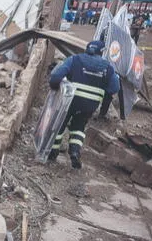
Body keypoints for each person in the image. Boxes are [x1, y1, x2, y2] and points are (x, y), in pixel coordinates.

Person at [48, 41, 120, 169]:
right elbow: (114, 87)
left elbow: (56, 76)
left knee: (60, 124)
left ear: (87, 49)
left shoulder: (74, 59)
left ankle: (53, 152)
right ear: (101, 51)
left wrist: (54, 88)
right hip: (89, 104)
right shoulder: (108, 67)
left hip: (70, 100)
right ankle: (75, 151)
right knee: (79, 126)